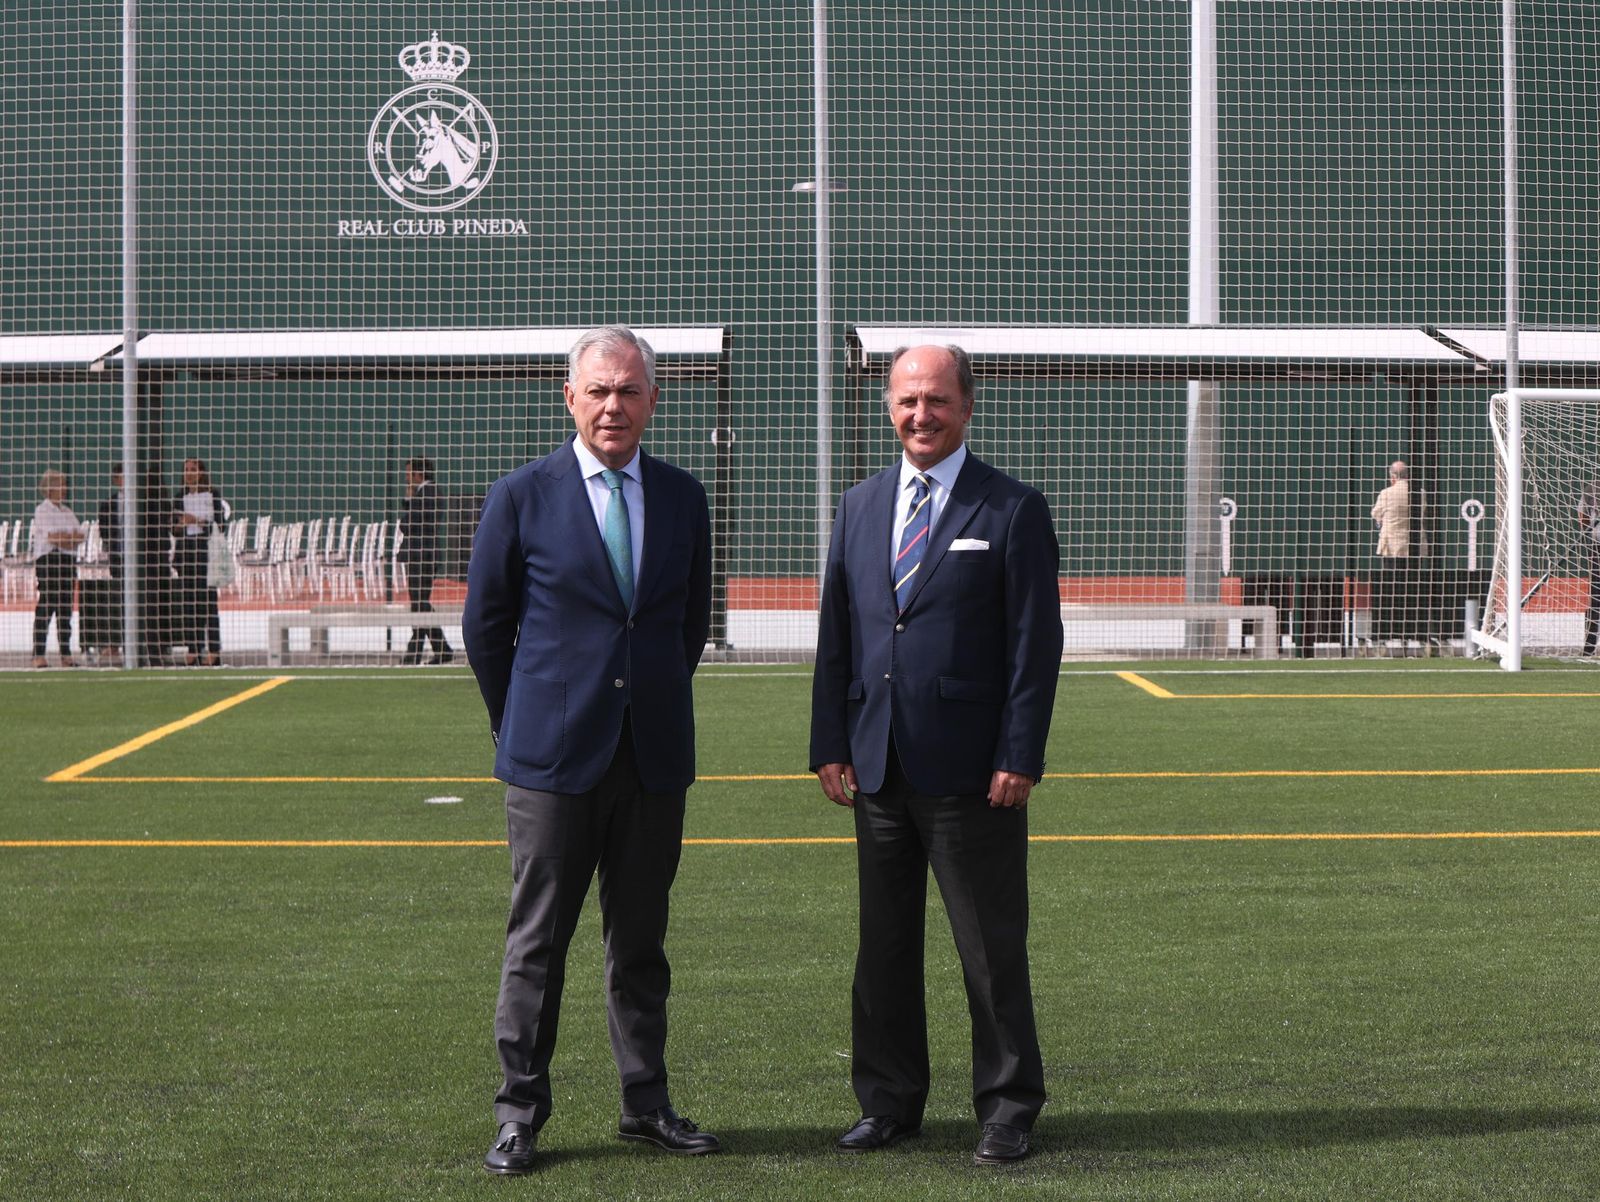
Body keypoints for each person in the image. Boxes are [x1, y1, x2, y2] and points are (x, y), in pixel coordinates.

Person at [463, 325, 716, 1175]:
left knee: (640, 943)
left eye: (630, 390)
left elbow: (684, 627)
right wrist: (527, 721)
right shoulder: (521, 495)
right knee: (538, 944)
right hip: (551, 764)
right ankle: (519, 1113)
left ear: (653, 400)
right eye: (599, 390)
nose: (614, 404)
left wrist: (640, 705)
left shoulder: (684, 498)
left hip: (652, 761)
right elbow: (486, 628)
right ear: (569, 398)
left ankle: (646, 1103)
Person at [809, 344, 1063, 1168]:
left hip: (973, 773)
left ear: (967, 406)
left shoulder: (1012, 509)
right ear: (889, 406)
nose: (922, 415)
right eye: (908, 400)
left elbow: (1035, 649)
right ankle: (887, 1103)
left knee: (989, 949)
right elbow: (838, 638)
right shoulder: (858, 505)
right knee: (882, 948)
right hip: (877, 764)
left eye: (938, 401)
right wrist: (829, 743)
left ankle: (1008, 1106)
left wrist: (1019, 752)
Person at [398, 456, 454, 665]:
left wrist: (409, 500)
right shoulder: (428, 492)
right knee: (420, 603)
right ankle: (441, 650)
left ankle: (415, 654)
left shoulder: (427, 493)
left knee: (419, 604)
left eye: (409, 473)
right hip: (422, 556)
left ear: (419, 474)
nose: (406, 478)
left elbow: (407, 524)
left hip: (421, 556)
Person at [172, 458, 225, 666]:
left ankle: (213, 649)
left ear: (201, 473)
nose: (189, 473)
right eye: (186, 470)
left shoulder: (212, 495)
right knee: (189, 603)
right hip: (186, 553)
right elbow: (173, 527)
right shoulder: (180, 497)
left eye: (193, 469)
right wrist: (179, 525)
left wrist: (197, 521)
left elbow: (220, 525)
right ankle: (193, 648)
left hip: (206, 553)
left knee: (208, 603)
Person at [30, 470, 86, 668]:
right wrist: (65, 538)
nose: (65, 489)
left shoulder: (67, 511)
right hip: (49, 562)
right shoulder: (42, 511)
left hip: (67, 562)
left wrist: (66, 539)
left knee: (65, 609)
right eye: (61, 484)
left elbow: (80, 535)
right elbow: (52, 537)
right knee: (46, 606)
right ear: (50, 488)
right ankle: (38, 654)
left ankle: (66, 654)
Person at [1370, 459, 1425, 651]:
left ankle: (1389, 633)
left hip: (1391, 548)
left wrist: (1382, 520)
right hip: (1412, 548)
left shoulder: (1386, 494)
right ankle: (1413, 634)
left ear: (1392, 477)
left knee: (1391, 591)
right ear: (1408, 476)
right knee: (1411, 590)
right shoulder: (1418, 494)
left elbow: (1376, 514)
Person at [85, 465, 128, 666]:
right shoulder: (108, 504)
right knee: (119, 599)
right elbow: (105, 531)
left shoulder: (143, 502)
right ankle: (115, 643)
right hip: (118, 558)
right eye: (121, 477)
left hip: (140, 559)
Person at [1578, 481, 1600, 655]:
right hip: (1597, 546)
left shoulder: (1592, 488)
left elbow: (1582, 518)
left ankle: (1589, 648)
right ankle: (1589, 646)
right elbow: (1583, 517)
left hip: (1597, 545)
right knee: (1596, 597)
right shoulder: (1592, 489)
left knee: (1596, 596)